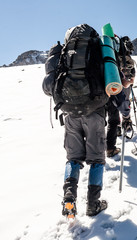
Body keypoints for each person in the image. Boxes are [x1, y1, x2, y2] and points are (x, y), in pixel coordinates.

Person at [42, 24, 109, 218]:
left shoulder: (65, 53)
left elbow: (48, 87)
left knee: (73, 158)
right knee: (96, 159)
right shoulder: (98, 50)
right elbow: (113, 83)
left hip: (70, 111)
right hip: (95, 111)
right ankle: (93, 204)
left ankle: (69, 200)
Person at [106, 35, 136, 158]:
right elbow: (128, 78)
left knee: (111, 119)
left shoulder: (108, 57)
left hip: (107, 88)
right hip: (122, 85)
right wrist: (130, 81)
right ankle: (126, 121)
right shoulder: (126, 57)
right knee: (123, 102)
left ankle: (111, 144)